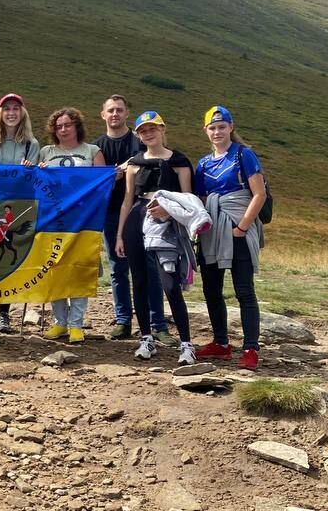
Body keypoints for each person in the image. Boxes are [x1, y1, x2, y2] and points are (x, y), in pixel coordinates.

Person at [115, 111, 196, 363]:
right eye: (143, 131)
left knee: (169, 283)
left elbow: (189, 199)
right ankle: (146, 338)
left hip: (167, 221)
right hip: (137, 219)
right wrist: (119, 235)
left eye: (153, 128)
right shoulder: (134, 164)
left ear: (162, 129)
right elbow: (127, 201)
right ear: (139, 135)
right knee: (138, 280)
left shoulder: (179, 162)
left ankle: (186, 343)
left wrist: (172, 214)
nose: (148, 133)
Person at [193, 105, 268, 371]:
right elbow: (200, 199)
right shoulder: (202, 164)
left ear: (231, 127)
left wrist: (242, 228)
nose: (217, 132)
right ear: (206, 131)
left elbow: (258, 194)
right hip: (213, 230)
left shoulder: (243, 155)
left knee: (244, 290)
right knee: (211, 289)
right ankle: (221, 343)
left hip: (237, 226)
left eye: (221, 126)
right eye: (212, 128)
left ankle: (250, 348)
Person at [94, 95, 171, 342]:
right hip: (109, 212)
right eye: (110, 110)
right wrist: (113, 174)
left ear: (127, 113)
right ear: (102, 115)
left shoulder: (139, 141)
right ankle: (123, 320)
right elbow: (94, 181)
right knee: (118, 269)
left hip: (143, 211)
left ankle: (158, 324)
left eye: (119, 110)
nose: (115, 114)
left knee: (150, 268)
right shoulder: (96, 147)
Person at [39, 107, 104, 342]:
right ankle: (60, 322)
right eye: (59, 126)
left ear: (77, 126)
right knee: (55, 269)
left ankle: (77, 323)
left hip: (83, 220)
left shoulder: (92, 151)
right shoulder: (46, 152)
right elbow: (37, 185)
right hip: (53, 221)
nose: (63, 129)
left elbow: (100, 186)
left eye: (68, 125)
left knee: (78, 270)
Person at [0, 93, 39, 333]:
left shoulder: (31, 144)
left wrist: (31, 170)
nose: (12, 112)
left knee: (8, 260)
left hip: (16, 208)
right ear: (0, 113)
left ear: (22, 112)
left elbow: (36, 178)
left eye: (16, 108)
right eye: (7, 109)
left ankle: (4, 313)